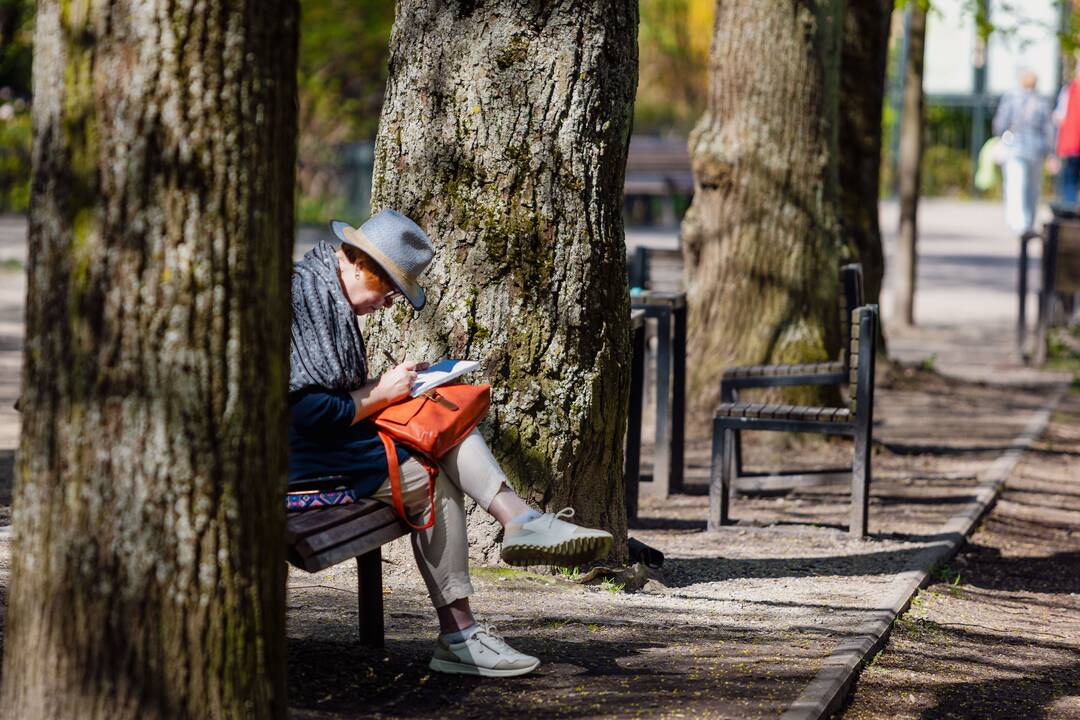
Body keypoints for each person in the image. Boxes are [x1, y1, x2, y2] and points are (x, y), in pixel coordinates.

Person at [288, 209, 613, 677]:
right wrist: (383, 392)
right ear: (361, 264)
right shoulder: (313, 297)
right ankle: (466, 625)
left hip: (323, 445)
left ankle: (517, 529)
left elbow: (325, 396)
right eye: (390, 290)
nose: (389, 305)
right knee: (428, 472)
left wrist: (390, 389)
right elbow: (311, 414)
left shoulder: (324, 285)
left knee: (442, 420)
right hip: (300, 460)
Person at [992, 70, 1055, 236]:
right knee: (1032, 189)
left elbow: (1000, 124)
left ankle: (1017, 222)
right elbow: (1048, 130)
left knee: (1015, 185)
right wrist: (1050, 152)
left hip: (1014, 148)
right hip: (1036, 150)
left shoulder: (1011, 99)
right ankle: (1027, 222)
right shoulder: (1041, 101)